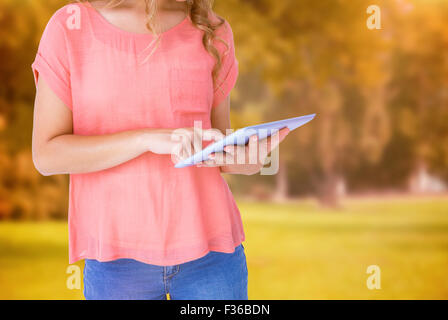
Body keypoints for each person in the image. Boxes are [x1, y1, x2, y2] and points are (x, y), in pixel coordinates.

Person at [31, 0, 290, 300]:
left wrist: (248, 160)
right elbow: (47, 154)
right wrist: (146, 140)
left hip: (213, 259)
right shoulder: (70, 26)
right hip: (117, 265)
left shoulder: (211, 29)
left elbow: (214, 146)